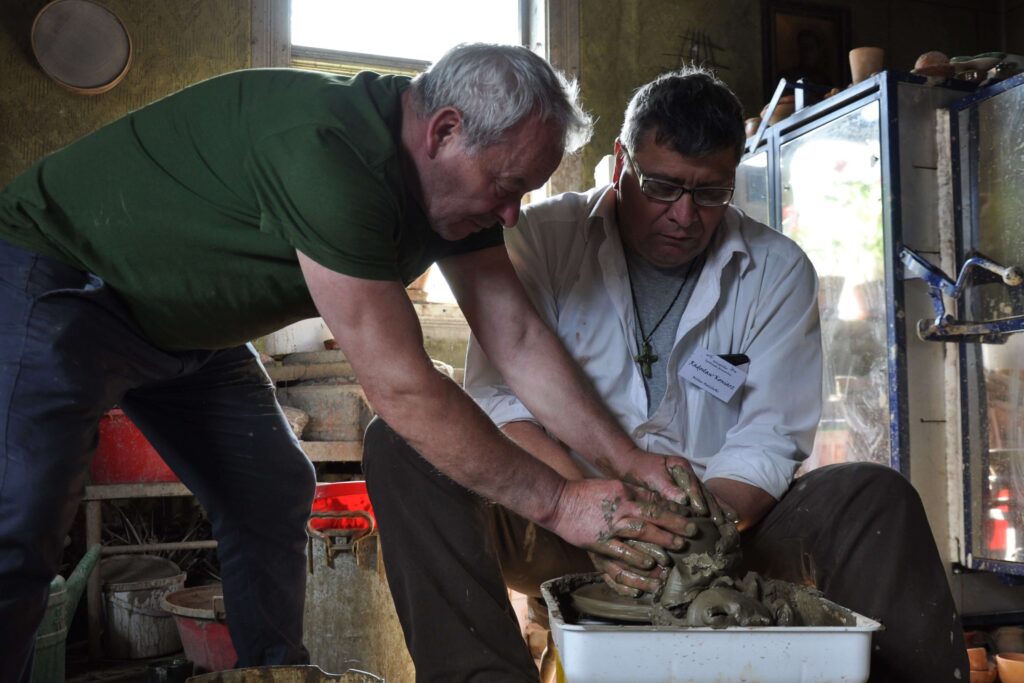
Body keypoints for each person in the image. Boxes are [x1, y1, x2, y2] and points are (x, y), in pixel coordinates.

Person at [0, 44, 708, 682]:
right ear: (445, 132)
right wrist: (558, 501)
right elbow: (402, 387)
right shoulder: (329, 153)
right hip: (59, 281)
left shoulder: (452, 188)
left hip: (183, 326)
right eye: (508, 185)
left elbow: (515, 334)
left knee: (273, 487)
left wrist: (621, 458)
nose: (513, 213)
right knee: (20, 527)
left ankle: (271, 674)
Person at [363, 67, 969, 682]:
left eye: (710, 194)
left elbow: (770, 437)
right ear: (622, 162)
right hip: (558, 513)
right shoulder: (539, 239)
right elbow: (501, 404)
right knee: (403, 445)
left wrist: (694, 530)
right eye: (662, 187)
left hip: (716, 534)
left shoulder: (776, 271)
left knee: (873, 496)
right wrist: (591, 506)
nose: (684, 215)